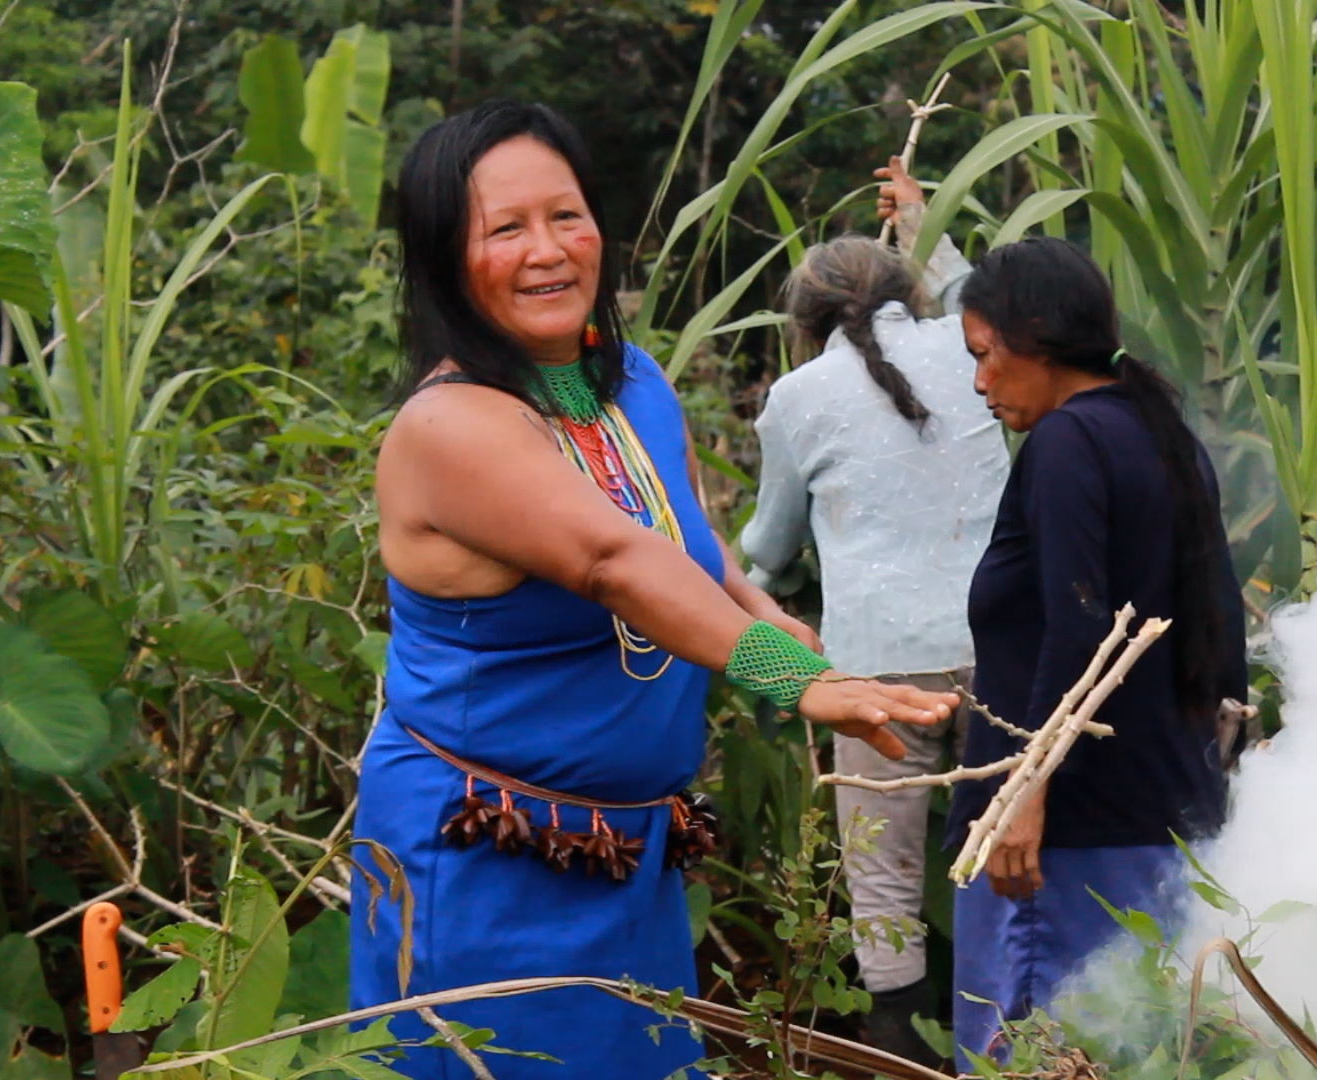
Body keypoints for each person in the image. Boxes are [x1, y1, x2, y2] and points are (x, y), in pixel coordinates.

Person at [351, 100, 959, 1080]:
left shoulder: (627, 378)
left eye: (567, 215)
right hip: (487, 860)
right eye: (505, 229)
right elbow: (611, 562)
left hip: (629, 854)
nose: (548, 250)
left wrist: (764, 613)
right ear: (444, 261)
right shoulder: (451, 428)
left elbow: (674, 533)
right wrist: (788, 680)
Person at [942, 236, 1250, 1070]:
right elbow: (1221, 619)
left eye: (985, 356)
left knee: (1038, 1047)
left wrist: (1024, 794)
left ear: (1036, 339)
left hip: (1059, 839)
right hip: (1158, 815)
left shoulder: (1068, 445)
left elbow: (1081, 626)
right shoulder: (1162, 434)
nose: (979, 383)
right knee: (1140, 1048)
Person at [738, 161, 1009, 1062]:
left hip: (877, 672)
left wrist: (743, 576)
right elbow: (979, 293)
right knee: (1007, 851)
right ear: (911, 291)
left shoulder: (796, 397)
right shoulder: (976, 352)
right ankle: (1021, 1039)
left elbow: (770, 550)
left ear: (805, 321)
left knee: (883, 876)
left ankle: (900, 1048)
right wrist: (926, 222)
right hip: (1004, 647)